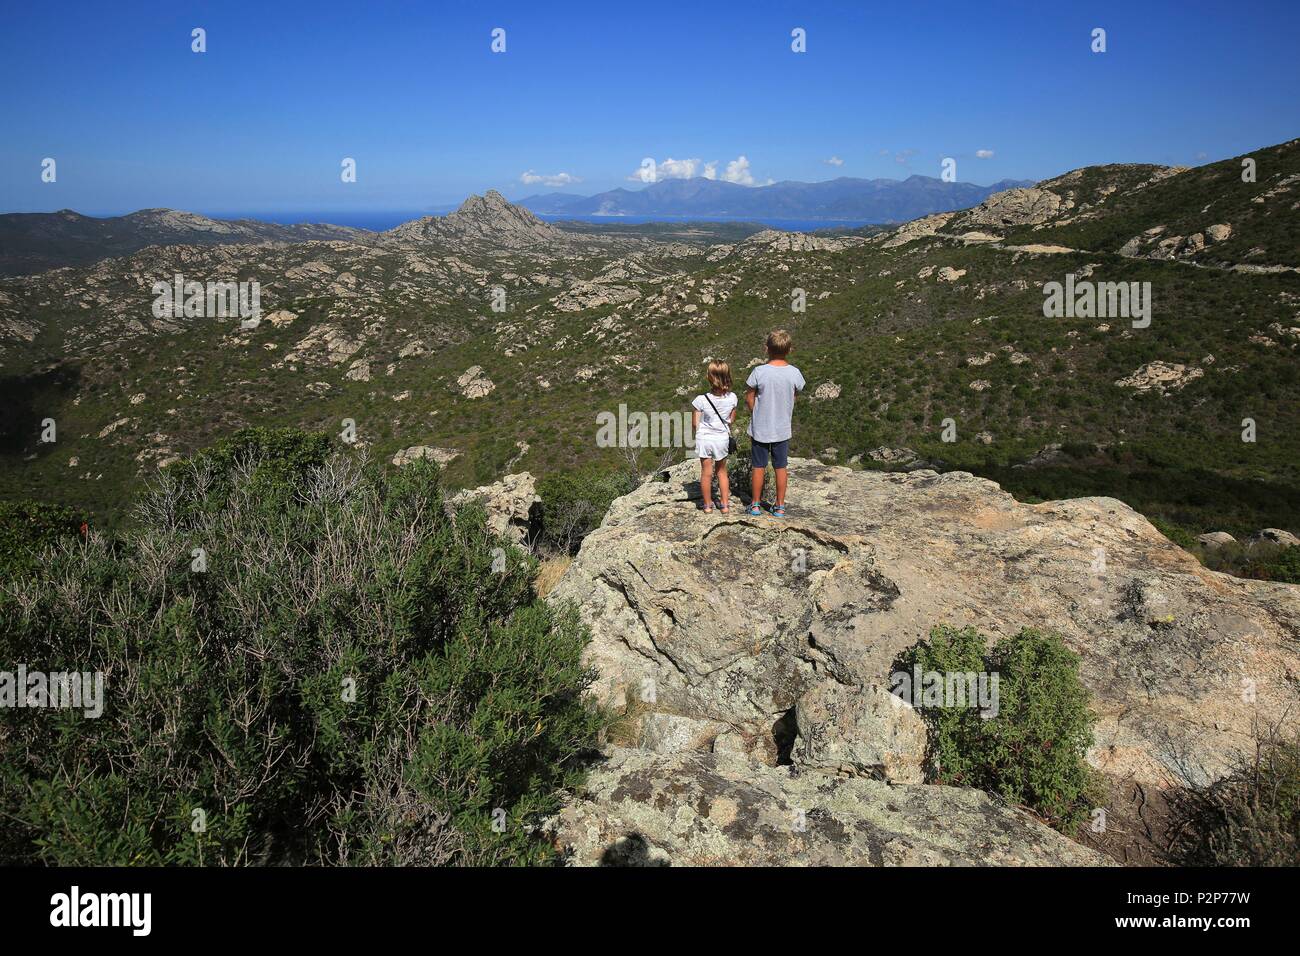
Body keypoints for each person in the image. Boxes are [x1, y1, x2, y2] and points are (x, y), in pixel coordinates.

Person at [745, 329, 804, 517]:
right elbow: (794, 396)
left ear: (766, 349)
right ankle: (779, 506)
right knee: (781, 467)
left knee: (758, 466)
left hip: (760, 428)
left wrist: (758, 412)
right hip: (782, 428)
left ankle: (755, 504)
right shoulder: (794, 373)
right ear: (790, 350)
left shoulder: (759, 372)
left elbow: (749, 398)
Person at [690, 360, 738, 513]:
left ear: (709, 378)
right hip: (721, 438)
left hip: (705, 438)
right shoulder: (732, 398)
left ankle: (707, 505)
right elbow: (731, 420)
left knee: (706, 473)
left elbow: (694, 423)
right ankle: (724, 505)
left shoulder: (701, 400)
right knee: (722, 472)